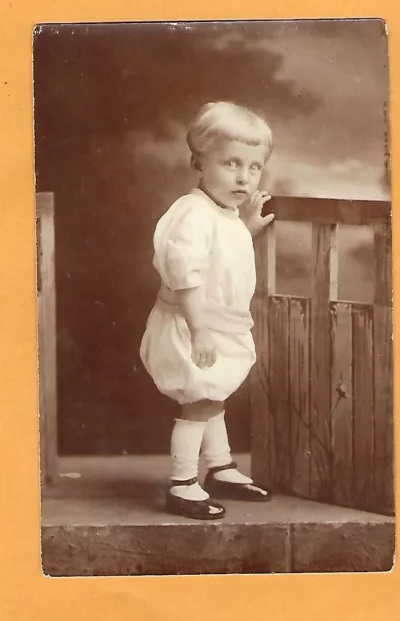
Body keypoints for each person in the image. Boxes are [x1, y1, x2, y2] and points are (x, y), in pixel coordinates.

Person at [140, 101, 275, 520]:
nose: (243, 176)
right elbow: (187, 275)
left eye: (253, 167)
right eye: (231, 163)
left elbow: (225, 254)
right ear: (199, 161)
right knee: (199, 402)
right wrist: (199, 329)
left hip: (215, 325)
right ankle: (183, 482)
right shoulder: (192, 214)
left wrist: (246, 227)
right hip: (188, 324)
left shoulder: (224, 214)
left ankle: (220, 467)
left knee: (213, 395)